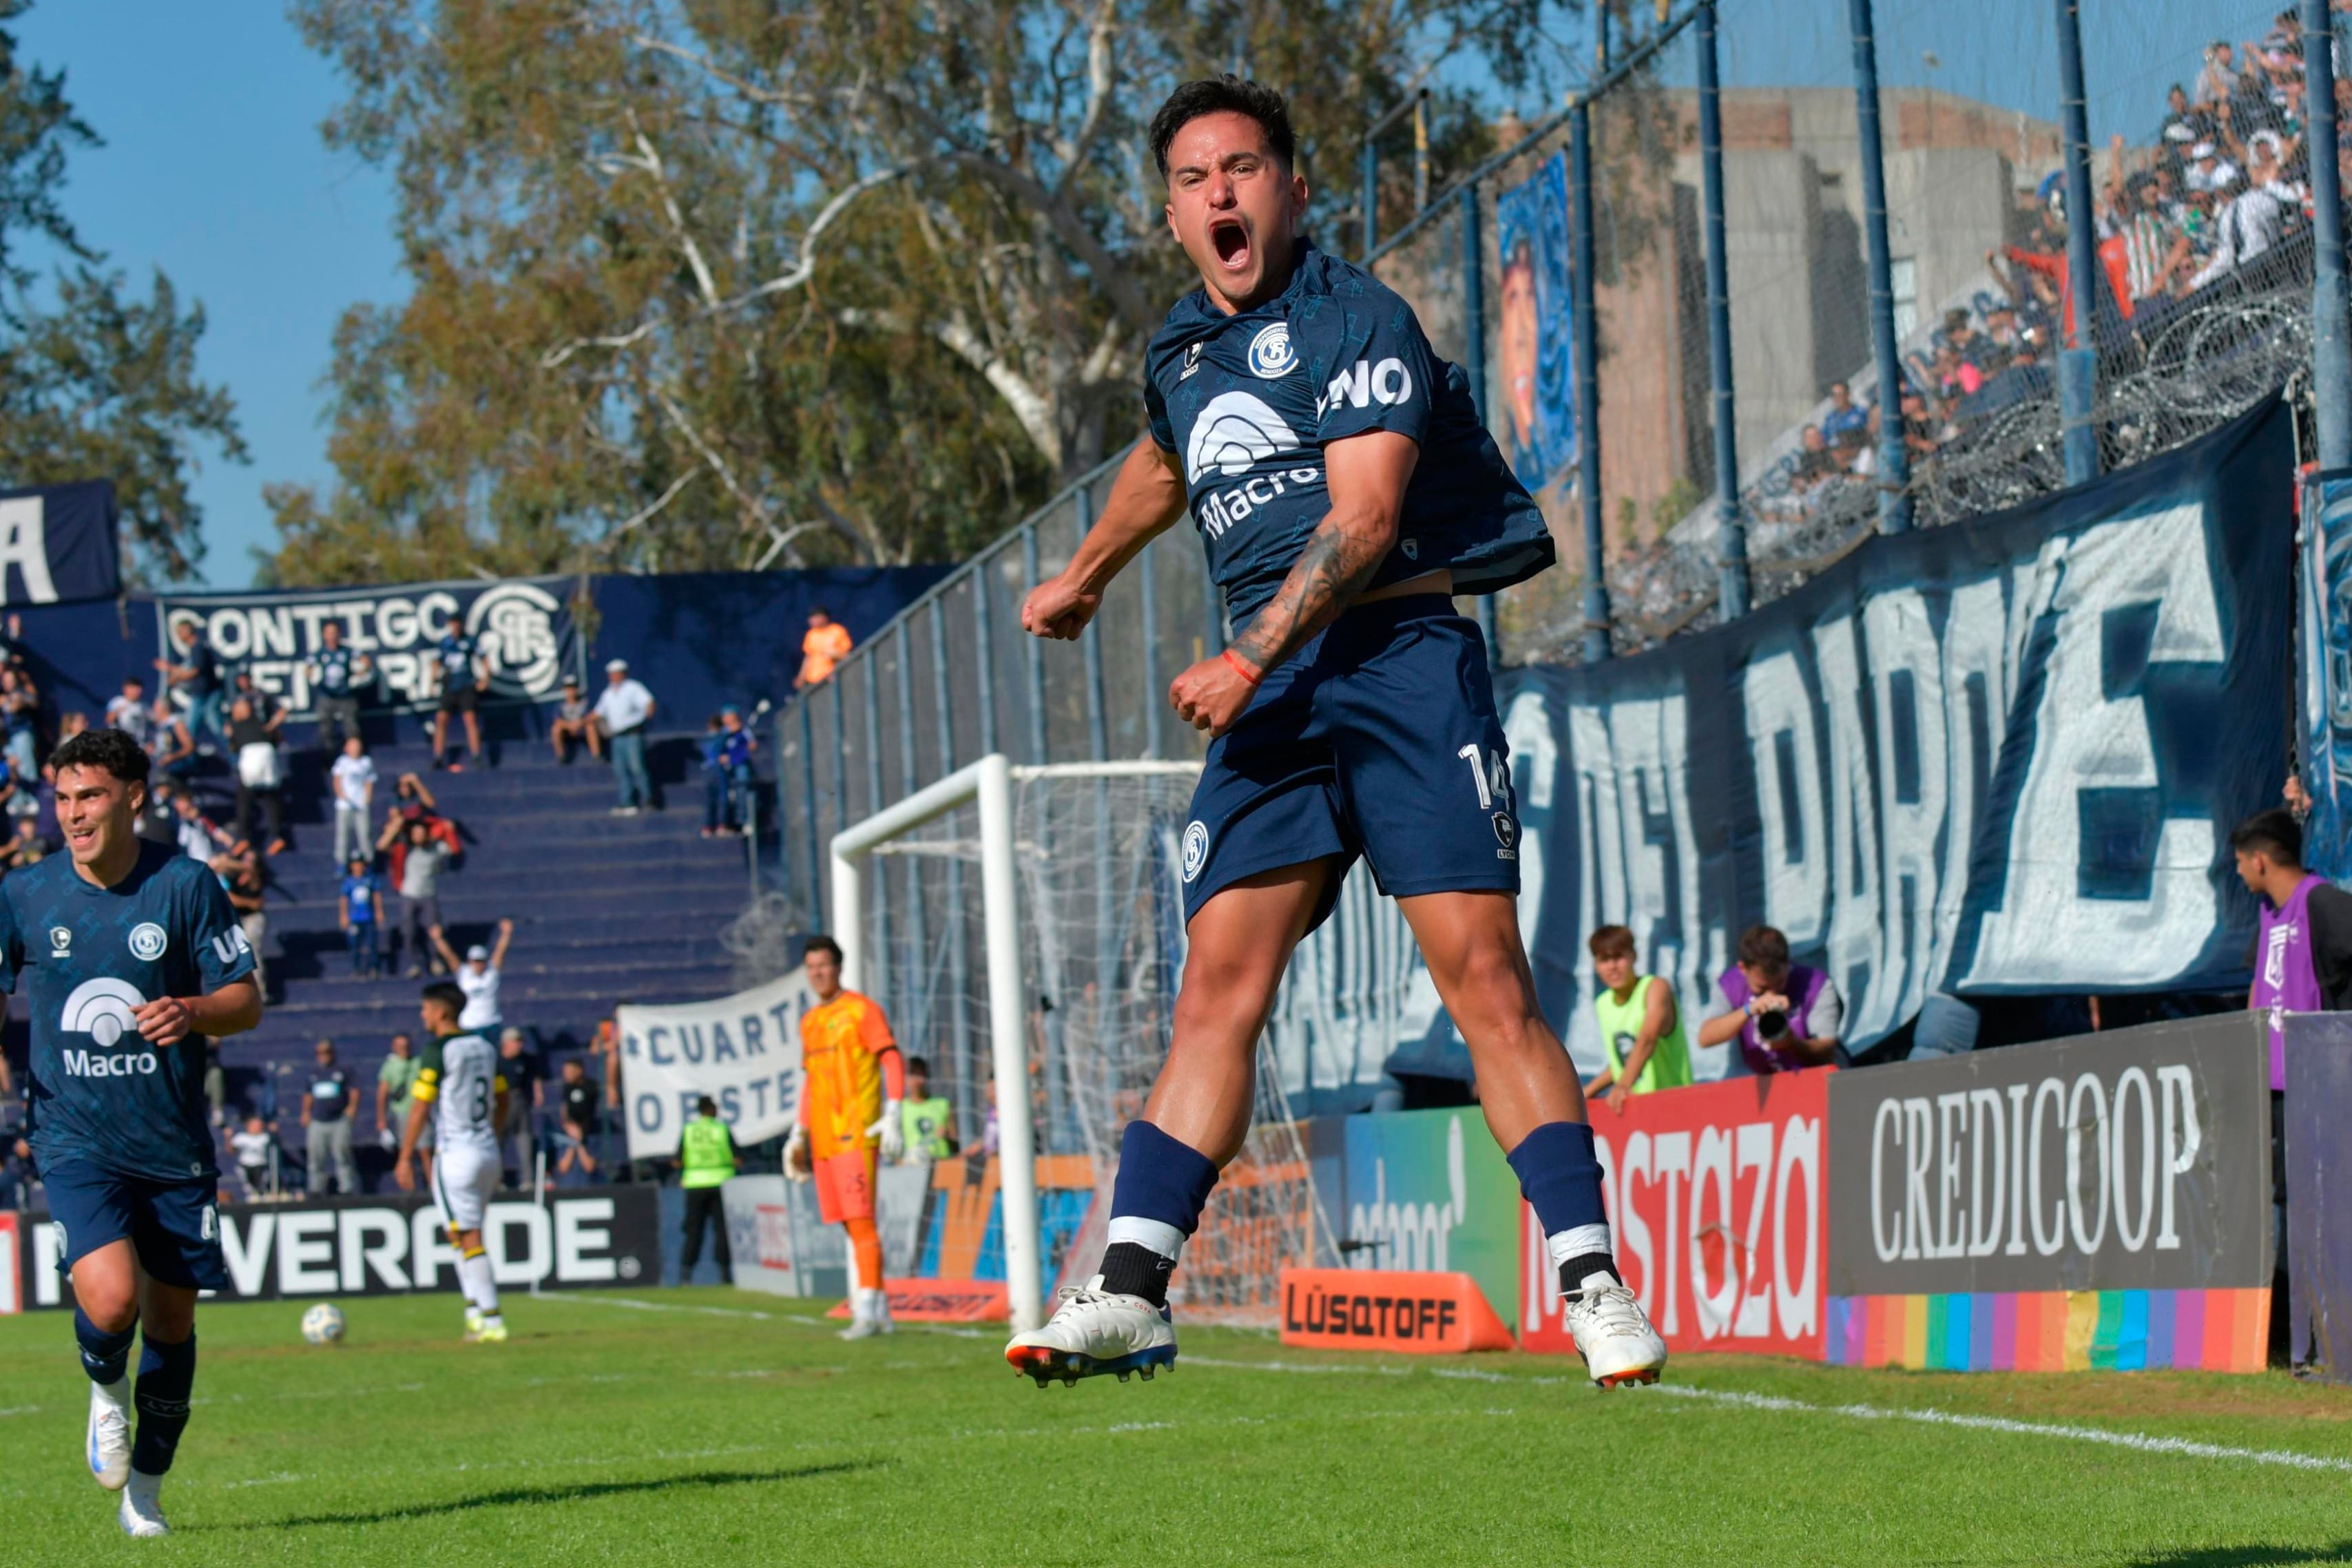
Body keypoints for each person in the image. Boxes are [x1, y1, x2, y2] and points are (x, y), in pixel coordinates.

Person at [1001, 77, 1661, 1389]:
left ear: (1294, 189)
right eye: (1193, 181)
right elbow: (1166, 458)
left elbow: (1362, 519)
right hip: (1274, 694)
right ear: (1174, 213)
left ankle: (1593, 1282)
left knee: (1481, 975)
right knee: (1215, 986)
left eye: (1243, 168)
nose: (1220, 196)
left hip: (1394, 662)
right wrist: (1087, 571)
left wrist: (1247, 653)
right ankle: (1133, 1288)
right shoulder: (1181, 350)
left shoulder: (1357, 317)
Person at [8, 726, 262, 1536]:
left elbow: (246, 1001)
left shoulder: (185, 885)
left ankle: (145, 1492)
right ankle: (104, 1391)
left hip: (172, 1144)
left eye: (90, 796)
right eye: (62, 798)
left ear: (133, 797)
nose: (73, 814)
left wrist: (190, 1010)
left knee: (174, 1321)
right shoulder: (23, 893)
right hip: (73, 1134)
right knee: (113, 1300)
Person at [786, 934, 905, 1341]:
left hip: (855, 1133)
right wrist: (798, 1132)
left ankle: (869, 1310)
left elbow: (890, 1057)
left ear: (839, 967)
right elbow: (811, 1081)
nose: (818, 973)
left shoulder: (862, 1010)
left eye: (825, 965)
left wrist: (893, 1109)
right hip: (823, 1141)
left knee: (862, 1222)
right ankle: (880, 1310)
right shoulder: (810, 1021)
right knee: (848, 1227)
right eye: (812, 967)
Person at [395, 981, 510, 1344]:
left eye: (426, 1009)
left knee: (469, 1235)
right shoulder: (485, 1046)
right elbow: (504, 1096)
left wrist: (404, 1156)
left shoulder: (438, 1050)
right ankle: (474, 1312)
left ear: (442, 1011)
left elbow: (420, 1107)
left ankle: (492, 1320)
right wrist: (494, 1133)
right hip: (488, 1151)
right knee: (458, 1232)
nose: (423, 1015)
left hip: (456, 1153)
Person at [1697, 925, 1844, 1075]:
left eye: (1780, 983)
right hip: (1772, 1084)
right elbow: (1706, 1037)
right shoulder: (1730, 985)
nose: (1772, 994)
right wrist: (1749, 1009)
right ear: (1742, 968)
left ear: (1788, 963)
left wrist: (1791, 1042)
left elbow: (1827, 1051)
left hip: (1823, 1081)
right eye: (1761, 988)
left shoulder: (1817, 985)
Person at [1578, 926, 1692, 1115]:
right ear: (1595, 965)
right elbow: (1621, 1063)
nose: (1612, 966)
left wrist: (1622, 1086)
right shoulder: (1602, 1004)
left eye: (1619, 957)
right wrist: (1585, 1095)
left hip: (1677, 1108)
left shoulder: (1655, 987)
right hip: (1636, 1111)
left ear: (1634, 956)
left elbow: (1647, 1039)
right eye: (1604, 960)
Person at [677, 1095, 737, 1279]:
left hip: (695, 1183)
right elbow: (738, 1157)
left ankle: (686, 1275)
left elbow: (677, 1159)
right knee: (722, 1230)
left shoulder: (689, 1130)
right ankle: (725, 1273)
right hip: (722, 1182)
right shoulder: (721, 1129)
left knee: (694, 1231)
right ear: (712, 1109)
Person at [225, 696, 287, 857]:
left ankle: (244, 837)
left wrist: (229, 736)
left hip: (252, 755)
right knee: (271, 796)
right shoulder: (262, 722)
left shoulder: (236, 725)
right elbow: (277, 739)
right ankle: (277, 836)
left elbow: (234, 748)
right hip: (268, 755)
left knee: (244, 795)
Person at [592, 658, 656, 815]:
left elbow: (649, 701)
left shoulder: (633, 688)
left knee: (637, 767)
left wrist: (649, 710)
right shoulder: (608, 693)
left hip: (633, 734)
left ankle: (648, 800)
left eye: (615, 673)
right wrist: (578, 723)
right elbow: (597, 713)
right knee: (620, 770)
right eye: (611, 674)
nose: (613, 676)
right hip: (617, 737)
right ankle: (627, 802)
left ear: (623, 673)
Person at [390, 819, 452, 978]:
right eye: (415, 833)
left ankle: (435, 961)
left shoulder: (435, 848)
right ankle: (414, 963)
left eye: (421, 833)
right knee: (408, 931)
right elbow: (382, 846)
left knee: (435, 929)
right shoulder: (405, 849)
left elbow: (453, 849)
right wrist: (395, 827)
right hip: (409, 894)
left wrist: (448, 830)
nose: (418, 836)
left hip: (428, 894)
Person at [430, 917, 513, 1034]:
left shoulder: (492, 973)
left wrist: (506, 933)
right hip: (469, 1025)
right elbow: (449, 955)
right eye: (475, 961)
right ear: (470, 962)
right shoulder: (464, 973)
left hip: (491, 1023)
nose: (478, 964)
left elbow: (500, 951)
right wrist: (438, 939)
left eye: (481, 961)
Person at [301, 1038, 359, 1196]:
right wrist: (306, 1112)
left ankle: (346, 1188)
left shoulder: (342, 1071)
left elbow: (354, 1090)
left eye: (326, 1052)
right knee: (315, 1157)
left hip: (339, 1119)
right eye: (319, 1053)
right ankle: (316, 1189)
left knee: (342, 1154)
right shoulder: (314, 1074)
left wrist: (352, 1109)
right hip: (318, 1120)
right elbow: (308, 1095)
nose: (323, 1056)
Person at [153, 619, 223, 748]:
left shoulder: (197, 647)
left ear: (187, 631)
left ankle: (188, 760)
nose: (179, 636)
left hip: (204, 694)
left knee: (191, 731)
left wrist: (172, 671)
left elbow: (194, 671)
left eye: (180, 632)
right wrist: (173, 671)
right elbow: (189, 670)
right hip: (201, 693)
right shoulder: (194, 649)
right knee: (195, 728)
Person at [430, 621, 488, 772]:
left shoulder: (469, 641)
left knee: (470, 719)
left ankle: (476, 755)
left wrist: (485, 678)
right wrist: (433, 682)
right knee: (441, 719)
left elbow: (484, 658)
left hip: (466, 687)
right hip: (449, 687)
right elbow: (436, 663)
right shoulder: (444, 643)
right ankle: (438, 757)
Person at [306, 620, 369, 751]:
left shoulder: (347, 651)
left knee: (352, 728)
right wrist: (312, 676)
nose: (332, 636)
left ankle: (355, 756)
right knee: (325, 729)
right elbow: (308, 668)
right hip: (327, 695)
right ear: (324, 635)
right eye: (329, 633)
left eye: (334, 633)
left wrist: (361, 672)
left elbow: (366, 661)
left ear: (339, 634)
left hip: (345, 695)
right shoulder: (320, 653)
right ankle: (328, 758)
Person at [493, 1024, 541, 1187]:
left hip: (520, 1100)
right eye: (515, 1041)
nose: (519, 1045)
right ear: (506, 1043)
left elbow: (534, 1078)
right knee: (497, 1141)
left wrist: (537, 1093)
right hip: (501, 1100)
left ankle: (527, 1180)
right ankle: (497, 1179)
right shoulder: (497, 1061)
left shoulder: (525, 1061)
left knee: (524, 1140)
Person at [330, 734, 376, 867]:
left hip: (361, 804)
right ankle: (342, 863)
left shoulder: (366, 761)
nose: (356, 748)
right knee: (343, 835)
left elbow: (369, 781)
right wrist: (342, 795)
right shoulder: (342, 762)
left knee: (364, 834)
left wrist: (367, 798)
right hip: (345, 805)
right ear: (346, 748)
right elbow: (337, 781)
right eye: (352, 745)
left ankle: (368, 862)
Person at [900, 1055, 957, 1161]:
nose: (917, 1081)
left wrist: (947, 1136)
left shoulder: (943, 1104)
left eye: (920, 1075)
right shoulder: (901, 1109)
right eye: (912, 1076)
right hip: (912, 1167)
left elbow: (956, 1143)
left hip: (941, 1166)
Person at [554, 1056, 601, 1181]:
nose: (566, 1075)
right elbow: (563, 1168)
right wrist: (572, 1137)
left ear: (579, 1071)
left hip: (587, 1129)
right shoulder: (566, 1089)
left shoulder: (591, 1087)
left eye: (569, 1072)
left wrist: (578, 1142)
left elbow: (589, 1167)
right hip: (572, 1133)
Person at [338, 854, 384, 977]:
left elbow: (376, 895)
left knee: (371, 944)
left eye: (360, 864)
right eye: (355, 864)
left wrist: (379, 911)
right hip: (354, 918)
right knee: (354, 945)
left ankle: (373, 968)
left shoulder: (369, 880)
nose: (358, 867)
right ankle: (356, 969)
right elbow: (343, 899)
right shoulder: (349, 882)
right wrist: (344, 916)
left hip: (368, 917)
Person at [375, 1032, 421, 1155]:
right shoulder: (389, 1067)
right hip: (401, 1113)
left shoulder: (419, 1063)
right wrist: (382, 1121)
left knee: (424, 1149)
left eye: (406, 1046)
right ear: (394, 1047)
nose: (404, 1050)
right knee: (405, 1151)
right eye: (400, 1047)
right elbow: (382, 1094)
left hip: (420, 1111)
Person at [795, 606, 854, 691]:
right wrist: (801, 678)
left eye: (816, 617)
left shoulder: (837, 630)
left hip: (832, 678)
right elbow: (808, 658)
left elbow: (847, 655)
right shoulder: (811, 635)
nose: (812, 621)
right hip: (814, 681)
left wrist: (835, 654)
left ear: (824, 617)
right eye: (811, 618)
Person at [549, 675, 600, 763]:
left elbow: (591, 716)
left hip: (582, 727)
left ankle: (596, 756)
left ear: (577, 688)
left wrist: (579, 724)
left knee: (590, 726)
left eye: (573, 687)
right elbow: (557, 720)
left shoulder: (585, 702)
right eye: (568, 688)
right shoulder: (560, 705)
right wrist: (570, 726)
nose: (571, 691)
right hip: (568, 730)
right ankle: (561, 756)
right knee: (556, 729)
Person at [226, 1112, 273, 1202]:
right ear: (248, 1126)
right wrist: (228, 1137)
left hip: (261, 1166)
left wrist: (275, 1132)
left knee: (262, 1185)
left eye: (259, 1125)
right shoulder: (241, 1138)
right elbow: (231, 1150)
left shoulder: (265, 1137)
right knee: (249, 1188)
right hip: (246, 1166)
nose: (257, 1127)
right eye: (255, 1125)